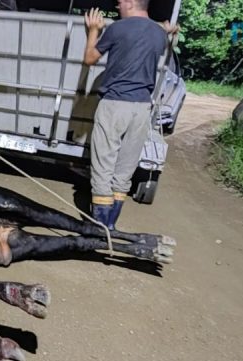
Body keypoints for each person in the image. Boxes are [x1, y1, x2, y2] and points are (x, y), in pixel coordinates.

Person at [83, 0, 176, 229]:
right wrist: (166, 28)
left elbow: (90, 59)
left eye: (121, 2)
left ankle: (99, 228)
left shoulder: (117, 28)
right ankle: (111, 227)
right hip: (142, 109)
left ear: (133, 2)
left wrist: (94, 30)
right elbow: (152, 32)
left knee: (103, 165)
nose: (118, 6)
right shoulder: (159, 34)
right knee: (125, 169)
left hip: (115, 104)